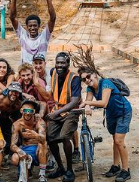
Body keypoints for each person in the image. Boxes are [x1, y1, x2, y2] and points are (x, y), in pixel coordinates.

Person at [78, 66, 132, 182]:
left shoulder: (106, 83)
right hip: (111, 114)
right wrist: (87, 105)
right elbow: (88, 100)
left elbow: (103, 103)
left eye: (88, 76)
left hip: (123, 111)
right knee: (115, 140)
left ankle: (126, 170)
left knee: (119, 140)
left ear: (94, 75)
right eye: (84, 79)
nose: (87, 80)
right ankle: (115, 166)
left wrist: (87, 103)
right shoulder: (90, 88)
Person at [45, 52, 81, 182]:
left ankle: (70, 170)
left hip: (70, 111)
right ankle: (60, 167)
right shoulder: (52, 72)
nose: (59, 65)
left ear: (68, 64)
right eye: (58, 63)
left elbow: (75, 101)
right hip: (57, 110)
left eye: (62, 63)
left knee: (65, 136)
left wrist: (56, 113)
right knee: (50, 138)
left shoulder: (74, 78)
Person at [9, 0, 56, 64]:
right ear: (27, 27)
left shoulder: (44, 36)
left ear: (39, 26)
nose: (32, 28)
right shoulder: (22, 35)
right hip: (25, 74)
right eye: (30, 26)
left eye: (35, 25)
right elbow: (12, 17)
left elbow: (52, 18)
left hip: (39, 72)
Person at [11, 100, 48, 182]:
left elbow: (44, 139)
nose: (27, 113)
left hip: (39, 149)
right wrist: (19, 151)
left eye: (30, 111)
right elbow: (12, 145)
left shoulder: (39, 122)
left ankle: (42, 175)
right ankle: (28, 161)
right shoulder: (17, 124)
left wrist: (36, 135)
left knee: (42, 144)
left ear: (34, 112)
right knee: (14, 158)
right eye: (25, 110)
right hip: (25, 148)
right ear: (21, 111)